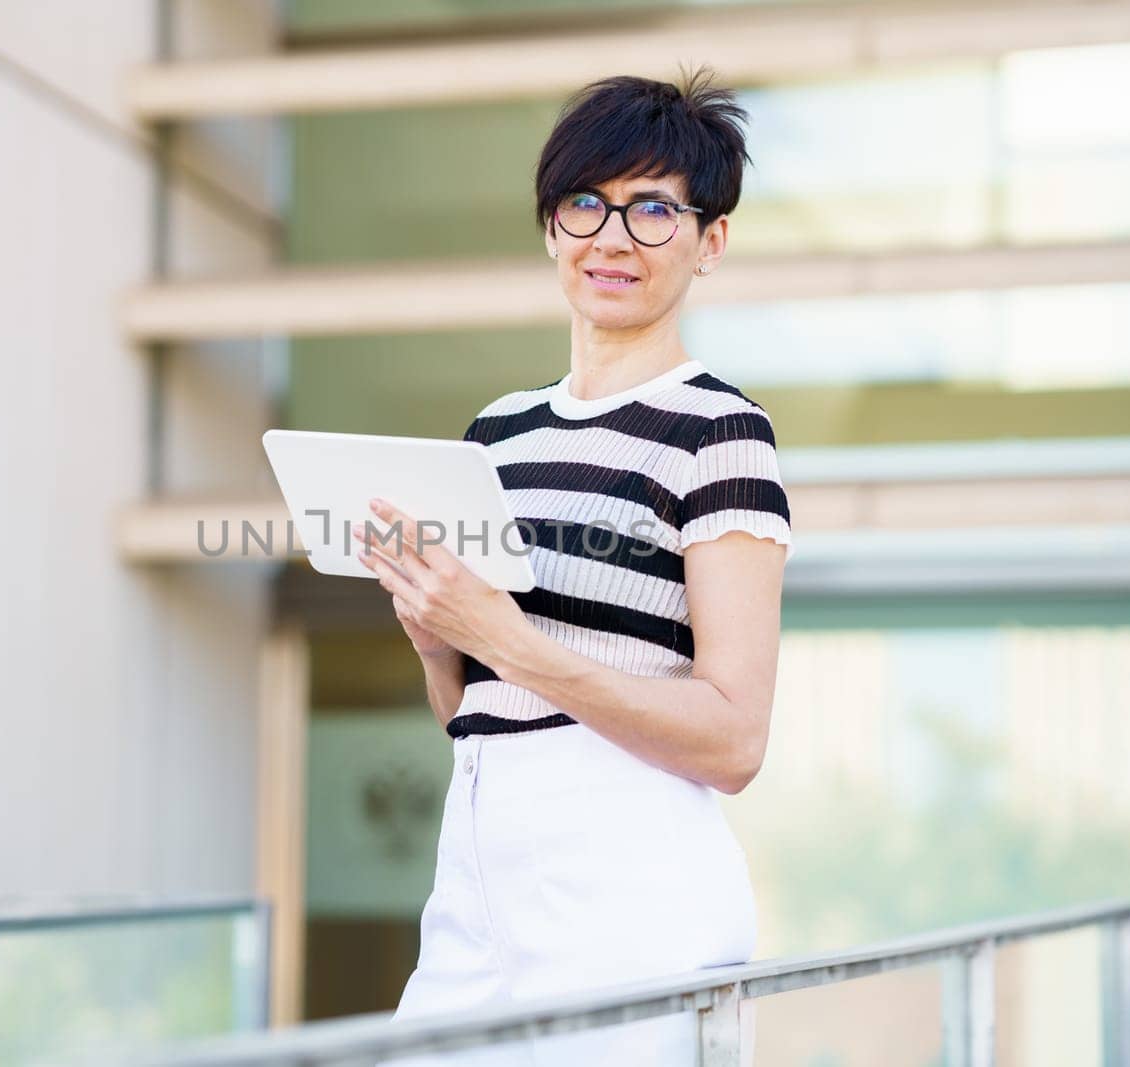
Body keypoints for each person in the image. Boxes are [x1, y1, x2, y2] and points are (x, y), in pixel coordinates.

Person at [357, 65, 789, 1066]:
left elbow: (734, 740)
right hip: (476, 863)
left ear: (709, 240)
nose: (611, 237)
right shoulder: (496, 434)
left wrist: (506, 636)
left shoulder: (718, 431)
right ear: (550, 226)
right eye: (586, 202)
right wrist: (438, 641)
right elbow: (479, 711)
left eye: (651, 211)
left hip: (627, 884)